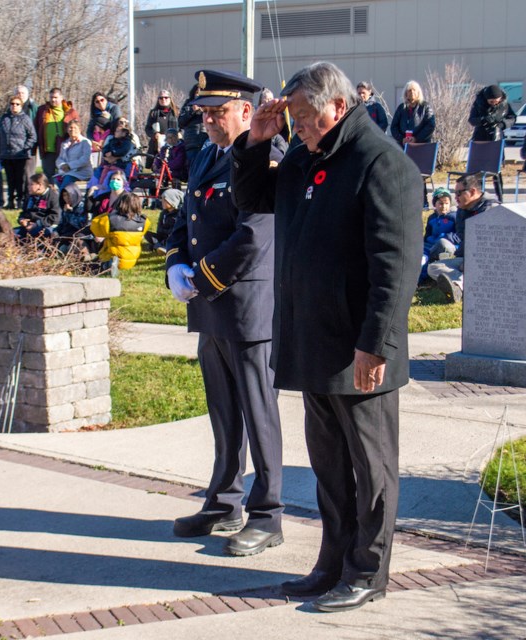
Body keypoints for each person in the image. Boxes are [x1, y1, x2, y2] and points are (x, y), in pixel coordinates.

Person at [233, 60, 421, 612]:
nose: (299, 126)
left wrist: (376, 344)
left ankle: (368, 572)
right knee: (331, 471)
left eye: (305, 116)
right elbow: (252, 199)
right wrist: (254, 142)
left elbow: (396, 265)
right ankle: (333, 563)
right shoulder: (302, 157)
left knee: (372, 472)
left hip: (358, 350)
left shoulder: (380, 162)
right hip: (312, 343)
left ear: (337, 106)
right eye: (292, 117)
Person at [165, 69, 285, 557]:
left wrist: (203, 277)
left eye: (217, 112)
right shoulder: (207, 155)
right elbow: (183, 220)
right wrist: (175, 264)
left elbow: (255, 234)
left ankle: (268, 514)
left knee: (258, 414)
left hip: (245, 306)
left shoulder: (266, 158)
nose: (208, 120)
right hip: (210, 305)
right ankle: (224, 500)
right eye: (204, 113)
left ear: (246, 112)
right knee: (223, 412)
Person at [426, 172, 499, 303]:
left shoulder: (491, 209)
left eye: (459, 193)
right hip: (467, 259)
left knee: (475, 270)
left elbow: (492, 247)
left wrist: (470, 262)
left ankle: (458, 286)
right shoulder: (462, 209)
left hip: (490, 263)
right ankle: (458, 285)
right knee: (433, 267)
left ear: (472, 191)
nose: (456, 198)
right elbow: (461, 236)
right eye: (455, 194)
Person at [91, 191, 150, 272]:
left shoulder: (109, 219)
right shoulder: (144, 221)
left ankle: (109, 265)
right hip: (131, 260)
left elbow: (95, 228)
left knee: (90, 265)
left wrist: (108, 214)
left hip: (111, 256)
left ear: (119, 203)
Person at [0, 96, 38, 210]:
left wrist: (25, 148)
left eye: (17, 104)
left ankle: (20, 201)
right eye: (12, 103)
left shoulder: (25, 119)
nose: (14, 106)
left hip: (21, 155)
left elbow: (32, 136)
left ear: (21, 106)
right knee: (10, 180)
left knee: (20, 180)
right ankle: (10, 201)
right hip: (7, 155)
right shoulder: (4, 118)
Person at [34, 88, 80, 177]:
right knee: (48, 176)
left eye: (55, 97)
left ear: (61, 98)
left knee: (65, 176)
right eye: (51, 97)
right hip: (47, 151)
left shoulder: (70, 112)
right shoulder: (42, 110)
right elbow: (36, 128)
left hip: (65, 150)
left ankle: (63, 191)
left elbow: (78, 130)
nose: (53, 100)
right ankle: (50, 191)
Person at [419, 186, 458, 284]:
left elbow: (458, 235)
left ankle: (426, 277)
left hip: (445, 245)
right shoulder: (432, 218)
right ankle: (418, 279)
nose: (444, 206)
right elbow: (427, 234)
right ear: (435, 204)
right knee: (421, 258)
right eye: (440, 203)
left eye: (446, 203)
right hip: (430, 245)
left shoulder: (454, 217)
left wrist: (445, 237)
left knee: (437, 251)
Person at [15, 173, 60, 239]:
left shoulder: (53, 197)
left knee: (30, 236)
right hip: (29, 226)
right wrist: (21, 220)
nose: (28, 187)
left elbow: (55, 217)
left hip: (45, 227)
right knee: (10, 233)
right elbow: (24, 212)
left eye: (31, 184)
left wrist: (37, 224)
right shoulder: (30, 197)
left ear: (40, 185)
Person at [389, 80, 435, 145]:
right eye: (409, 90)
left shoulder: (425, 107)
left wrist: (416, 138)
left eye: (414, 90)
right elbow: (394, 127)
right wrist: (401, 139)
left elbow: (430, 125)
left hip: (421, 145)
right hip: (403, 146)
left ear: (418, 92)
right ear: (406, 93)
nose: (412, 92)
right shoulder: (401, 108)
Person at [178, 84, 209, 174]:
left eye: (201, 92)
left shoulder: (209, 104)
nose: (198, 94)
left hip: (206, 140)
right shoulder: (189, 104)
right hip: (192, 142)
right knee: (192, 169)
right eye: (197, 92)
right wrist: (192, 110)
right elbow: (181, 122)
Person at [145, 90, 179, 169]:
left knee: (172, 165)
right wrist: (154, 134)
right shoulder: (154, 113)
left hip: (173, 142)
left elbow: (182, 126)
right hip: (157, 144)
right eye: (161, 98)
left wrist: (179, 134)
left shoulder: (176, 112)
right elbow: (148, 128)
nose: (163, 100)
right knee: (157, 166)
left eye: (166, 98)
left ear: (170, 99)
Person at [55, 120, 93, 189]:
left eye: (75, 128)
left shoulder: (85, 142)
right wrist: (62, 165)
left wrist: (69, 166)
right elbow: (60, 158)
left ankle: (62, 198)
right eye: (70, 128)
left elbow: (85, 159)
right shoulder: (65, 143)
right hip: (67, 171)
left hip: (81, 171)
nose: (72, 130)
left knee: (67, 179)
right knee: (56, 179)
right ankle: (67, 197)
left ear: (79, 130)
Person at [144, 186, 183, 253]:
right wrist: (163, 231)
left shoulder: (179, 214)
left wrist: (165, 231)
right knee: (147, 234)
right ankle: (159, 245)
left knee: (173, 239)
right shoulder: (163, 213)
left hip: (173, 237)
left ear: (172, 201)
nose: (162, 201)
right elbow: (159, 228)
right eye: (161, 199)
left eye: (165, 200)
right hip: (164, 235)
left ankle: (161, 246)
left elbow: (175, 230)